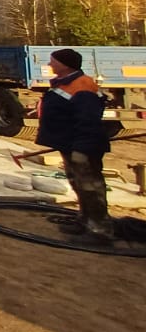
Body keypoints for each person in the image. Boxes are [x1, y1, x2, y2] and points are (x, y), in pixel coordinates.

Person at [36, 48, 114, 243]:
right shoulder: (67, 83)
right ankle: (85, 221)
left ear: (64, 65)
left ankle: (100, 231)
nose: (50, 65)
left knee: (91, 187)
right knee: (79, 184)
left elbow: (88, 121)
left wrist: (82, 149)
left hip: (83, 146)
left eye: (53, 61)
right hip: (70, 144)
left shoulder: (82, 86)